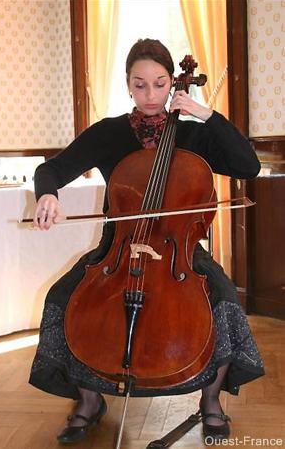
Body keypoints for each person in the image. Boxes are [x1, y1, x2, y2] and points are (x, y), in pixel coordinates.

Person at [30, 39, 264, 445]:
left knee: (225, 302)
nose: (151, 95)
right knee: (62, 298)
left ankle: (211, 403)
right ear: (128, 86)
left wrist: (206, 115)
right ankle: (88, 401)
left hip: (180, 253)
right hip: (117, 248)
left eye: (159, 84)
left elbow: (249, 166)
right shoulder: (109, 133)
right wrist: (47, 193)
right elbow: (53, 169)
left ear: (173, 83)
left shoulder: (194, 134)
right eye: (140, 86)